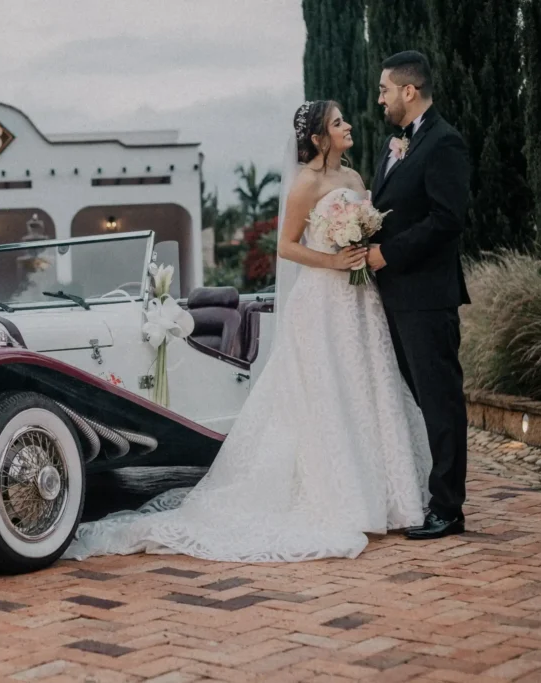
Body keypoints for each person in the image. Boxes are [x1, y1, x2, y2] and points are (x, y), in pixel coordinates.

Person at [62, 100, 432, 564]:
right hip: (321, 301)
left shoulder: (356, 180)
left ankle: (390, 497)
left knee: (368, 384)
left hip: (359, 300)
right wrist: (336, 260)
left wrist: (362, 244)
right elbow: (287, 247)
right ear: (319, 138)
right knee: (326, 392)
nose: (349, 125)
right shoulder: (305, 185)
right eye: (339, 122)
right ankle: (340, 497)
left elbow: (366, 229)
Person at [367, 51, 472, 540]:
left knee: (440, 401)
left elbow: (447, 219)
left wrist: (388, 254)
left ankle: (448, 508)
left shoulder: (444, 142)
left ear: (409, 91)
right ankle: (427, 494)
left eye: (385, 89)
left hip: (427, 297)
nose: (380, 97)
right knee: (418, 400)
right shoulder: (399, 144)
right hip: (396, 297)